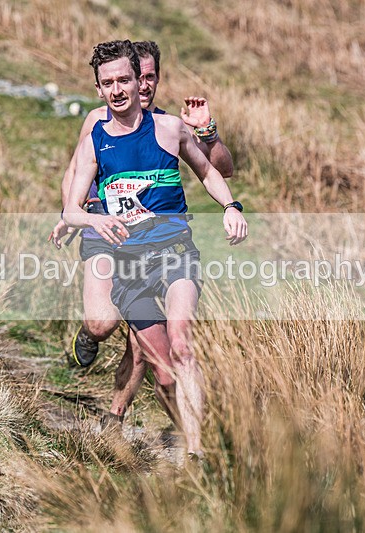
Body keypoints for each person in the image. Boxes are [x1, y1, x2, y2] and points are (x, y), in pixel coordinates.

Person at [63, 40, 247, 459]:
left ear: (145, 81)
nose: (121, 89)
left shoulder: (169, 128)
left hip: (173, 252)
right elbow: (72, 204)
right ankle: (137, 415)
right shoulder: (95, 136)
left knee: (182, 344)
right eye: (108, 83)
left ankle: (196, 454)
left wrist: (231, 207)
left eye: (127, 80)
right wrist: (92, 219)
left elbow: (212, 171)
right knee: (150, 360)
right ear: (98, 89)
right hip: (126, 263)